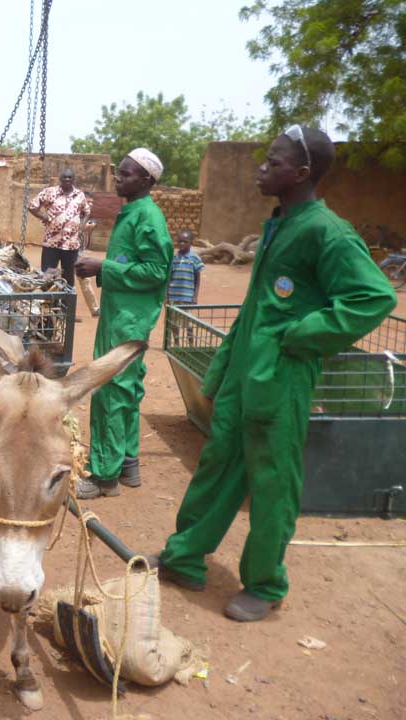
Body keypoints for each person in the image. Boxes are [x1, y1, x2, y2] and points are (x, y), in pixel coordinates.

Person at [150, 127, 396, 622]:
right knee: (219, 463)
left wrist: (301, 334)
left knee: (273, 480)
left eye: (274, 162)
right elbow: (256, 310)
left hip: (282, 379)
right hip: (247, 374)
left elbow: (373, 296)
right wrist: (224, 370)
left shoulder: (326, 231)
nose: (262, 168)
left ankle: (264, 583)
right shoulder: (279, 224)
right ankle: (185, 557)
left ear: (302, 173)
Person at [74, 148, 173, 498]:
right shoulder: (132, 212)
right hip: (123, 313)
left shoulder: (148, 216)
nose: (118, 177)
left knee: (111, 391)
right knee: (128, 388)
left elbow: (156, 271)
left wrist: (103, 268)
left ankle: (104, 475)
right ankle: (128, 462)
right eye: (119, 171)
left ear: (146, 180)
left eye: (127, 173)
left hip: (129, 318)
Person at [27, 169, 93, 285]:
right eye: (64, 177)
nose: (67, 179)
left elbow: (87, 211)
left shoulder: (80, 195)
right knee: (47, 276)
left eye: (69, 177)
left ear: (74, 179)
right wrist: (44, 217)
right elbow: (32, 206)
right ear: (60, 179)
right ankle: (48, 302)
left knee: (68, 278)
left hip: (71, 245)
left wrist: (82, 225)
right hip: (51, 243)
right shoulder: (49, 192)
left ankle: (66, 303)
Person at [166, 229, 205, 344]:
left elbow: (197, 279)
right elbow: (169, 278)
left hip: (187, 296)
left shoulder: (195, 258)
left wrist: (195, 296)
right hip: (174, 296)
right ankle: (177, 343)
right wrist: (167, 295)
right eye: (180, 241)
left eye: (185, 241)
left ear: (190, 242)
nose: (182, 244)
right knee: (173, 322)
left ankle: (191, 344)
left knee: (188, 322)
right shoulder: (174, 258)